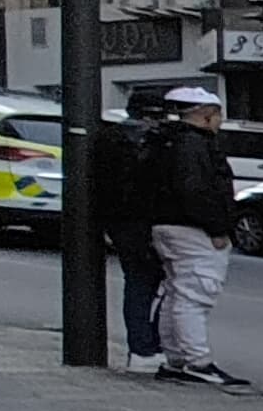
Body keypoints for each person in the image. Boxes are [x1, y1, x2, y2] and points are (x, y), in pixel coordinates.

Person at [140, 87, 247, 388]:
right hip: (192, 228)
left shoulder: (165, 140)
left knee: (176, 292)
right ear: (206, 115)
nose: (220, 122)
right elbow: (195, 189)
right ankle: (197, 361)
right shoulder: (194, 145)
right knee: (195, 294)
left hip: (166, 225)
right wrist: (216, 228)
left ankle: (175, 359)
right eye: (218, 116)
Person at [85, 85, 172, 374]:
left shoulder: (109, 139)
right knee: (157, 283)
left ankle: (142, 348)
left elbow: (100, 185)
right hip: (146, 221)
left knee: (138, 282)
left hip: (121, 222)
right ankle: (149, 346)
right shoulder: (155, 142)